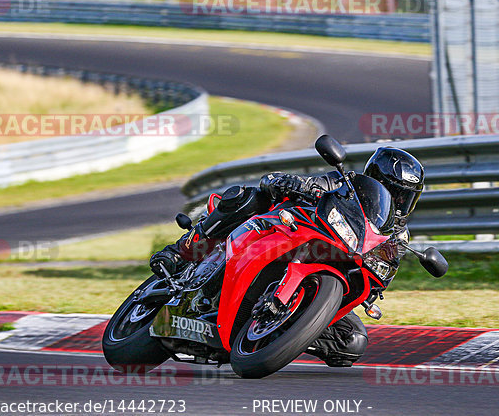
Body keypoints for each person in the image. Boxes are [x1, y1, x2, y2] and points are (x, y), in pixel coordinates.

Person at [150, 146, 425, 367]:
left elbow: (381, 277)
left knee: (352, 341)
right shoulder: (343, 184)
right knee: (246, 198)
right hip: (284, 234)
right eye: (394, 193)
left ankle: (274, 334)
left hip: (329, 272)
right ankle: (180, 251)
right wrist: (291, 183)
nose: (398, 202)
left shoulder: (397, 236)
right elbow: (289, 183)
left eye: (405, 197)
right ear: (375, 179)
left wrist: (377, 276)